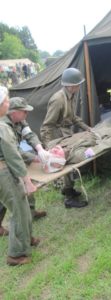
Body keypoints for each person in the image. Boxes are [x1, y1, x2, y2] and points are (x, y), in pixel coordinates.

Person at [40, 67, 91, 208]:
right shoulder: (58, 99)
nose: (79, 86)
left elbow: (73, 117)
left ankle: (68, 189)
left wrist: (87, 128)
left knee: (70, 163)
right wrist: (50, 147)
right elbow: (47, 125)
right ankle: (69, 199)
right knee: (65, 164)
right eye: (78, 83)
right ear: (71, 85)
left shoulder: (72, 96)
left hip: (65, 133)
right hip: (55, 136)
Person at [0, 86, 39, 266]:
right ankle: (15, 255)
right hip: (3, 172)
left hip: (5, 169)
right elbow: (13, 155)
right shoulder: (3, 127)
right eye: (6, 100)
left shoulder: (7, 124)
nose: (8, 103)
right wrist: (27, 180)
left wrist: (37, 156)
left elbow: (16, 151)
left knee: (21, 207)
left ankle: (25, 239)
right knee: (19, 209)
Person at [0, 97, 48, 232]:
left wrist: (40, 149)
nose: (27, 114)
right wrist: (33, 157)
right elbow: (14, 151)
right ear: (13, 112)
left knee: (27, 183)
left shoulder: (20, 120)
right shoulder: (4, 126)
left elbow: (29, 134)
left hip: (12, 158)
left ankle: (31, 212)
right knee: (8, 195)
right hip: (4, 163)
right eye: (24, 111)